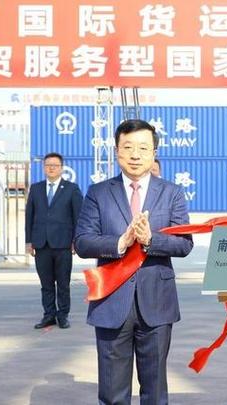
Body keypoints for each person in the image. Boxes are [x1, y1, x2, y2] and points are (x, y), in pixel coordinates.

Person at [74, 119, 193, 404]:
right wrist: (120, 242)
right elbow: (83, 242)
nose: (135, 155)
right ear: (117, 151)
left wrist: (151, 240)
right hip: (111, 302)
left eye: (143, 148)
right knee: (112, 392)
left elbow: (184, 243)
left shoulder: (171, 193)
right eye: (128, 147)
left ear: (154, 153)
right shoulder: (98, 193)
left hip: (157, 302)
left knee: (155, 390)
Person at [25, 152, 83, 329]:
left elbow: (78, 217)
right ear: (44, 168)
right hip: (41, 243)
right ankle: (49, 315)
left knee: (63, 283)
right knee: (46, 284)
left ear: (61, 168)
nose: (51, 168)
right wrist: (29, 241)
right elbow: (29, 216)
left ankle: (63, 315)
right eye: (48, 165)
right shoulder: (36, 189)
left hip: (63, 244)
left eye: (55, 165)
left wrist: (76, 240)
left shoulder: (72, 189)